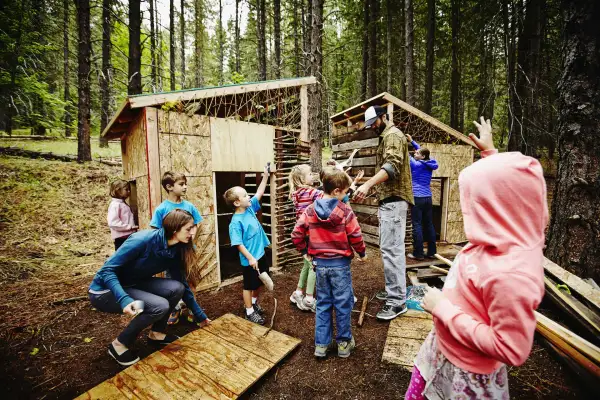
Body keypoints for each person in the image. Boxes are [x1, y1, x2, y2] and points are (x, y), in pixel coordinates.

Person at [405, 118, 548, 400]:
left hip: (466, 374)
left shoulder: (511, 277)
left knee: (422, 228)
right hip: (443, 348)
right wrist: (490, 154)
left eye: (477, 203)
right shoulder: (507, 235)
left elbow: (510, 348)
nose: (469, 208)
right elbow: (512, 190)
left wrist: (443, 309)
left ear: (497, 209)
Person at [88, 209, 211, 366]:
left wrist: (200, 315)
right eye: (189, 228)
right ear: (174, 229)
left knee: (177, 288)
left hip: (133, 282)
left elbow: (182, 283)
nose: (193, 232)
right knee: (159, 306)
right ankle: (118, 345)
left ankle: (157, 333)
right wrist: (124, 299)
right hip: (105, 291)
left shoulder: (176, 248)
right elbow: (107, 270)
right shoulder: (142, 240)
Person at [292, 167, 367, 359]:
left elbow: (297, 234)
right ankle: (343, 344)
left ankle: (321, 345)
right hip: (340, 265)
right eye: (345, 192)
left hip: (320, 266)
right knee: (343, 303)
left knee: (323, 303)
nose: (345, 195)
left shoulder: (309, 210)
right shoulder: (345, 211)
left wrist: (305, 252)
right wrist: (362, 253)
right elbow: (356, 235)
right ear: (336, 191)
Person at [353, 105, 414, 321]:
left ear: (383, 117)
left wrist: (368, 184)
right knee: (389, 249)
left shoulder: (394, 136)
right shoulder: (388, 136)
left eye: (375, 123)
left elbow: (393, 166)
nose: (373, 127)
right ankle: (393, 291)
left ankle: (397, 302)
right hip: (390, 201)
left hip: (395, 202)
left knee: (392, 251)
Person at [149, 171, 203, 325]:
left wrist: (192, 237)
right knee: (171, 282)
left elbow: (198, 223)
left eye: (185, 184)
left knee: (191, 280)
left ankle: (193, 309)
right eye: (181, 184)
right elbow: (155, 230)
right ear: (169, 187)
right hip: (171, 253)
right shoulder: (162, 209)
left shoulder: (189, 206)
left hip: (188, 252)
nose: (185, 187)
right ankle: (176, 308)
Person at [224, 164, 271, 325]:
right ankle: (249, 310)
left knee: (260, 282)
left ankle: (254, 302)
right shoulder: (235, 223)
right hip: (250, 260)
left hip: (261, 255)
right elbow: (237, 244)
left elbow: (259, 192)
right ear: (237, 203)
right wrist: (250, 258)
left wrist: (265, 175)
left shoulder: (249, 209)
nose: (248, 196)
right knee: (249, 285)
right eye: (244, 195)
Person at [288, 164, 323, 312]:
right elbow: (325, 196)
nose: (313, 175)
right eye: (310, 174)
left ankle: (298, 293)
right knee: (314, 266)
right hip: (311, 235)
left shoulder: (296, 193)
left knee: (306, 264)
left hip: (303, 234)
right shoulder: (310, 192)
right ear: (302, 179)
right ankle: (309, 299)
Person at [405, 134, 439, 260]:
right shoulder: (429, 162)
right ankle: (431, 252)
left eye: (417, 153)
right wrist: (412, 141)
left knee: (417, 225)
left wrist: (402, 143)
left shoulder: (416, 165)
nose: (415, 153)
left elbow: (406, 156)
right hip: (428, 198)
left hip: (417, 198)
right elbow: (420, 151)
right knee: (429, 224)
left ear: (423, 156)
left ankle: (418, 253)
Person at [107, 179, 138, 250]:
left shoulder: (122, 203)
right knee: (122, 259)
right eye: (126, 189)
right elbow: (113, 223)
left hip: (127, 237)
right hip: (121, 239)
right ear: (118, 191)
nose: (129, 191)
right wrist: (129, 227)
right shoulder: (115, 205)